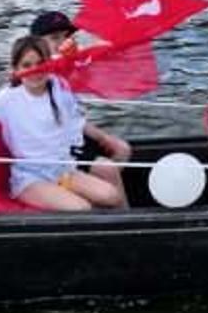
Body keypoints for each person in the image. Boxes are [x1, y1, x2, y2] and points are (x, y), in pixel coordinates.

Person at [0, 35, 127, 211]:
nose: (34, 71)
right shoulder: (7, 98)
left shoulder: (59, 84)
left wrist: (105, 45)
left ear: (49, 64)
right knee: (81, 208)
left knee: (111, 196)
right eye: (27, 65)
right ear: (15, 69)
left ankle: (127, 230)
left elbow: (88, 56)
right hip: (30, 178)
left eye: (40, 64)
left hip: (62, 169)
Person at [28, 11, 131, 195]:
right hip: (53, 146)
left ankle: (97, 199)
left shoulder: (68, 65)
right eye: (55, 38)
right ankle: (117, 211)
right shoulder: (36, 73)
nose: (63, 42)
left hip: (72, 134)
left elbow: (73, 114)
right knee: (108, 168)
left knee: (122, 150)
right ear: (37, 44)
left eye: (67, 36)